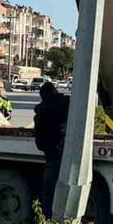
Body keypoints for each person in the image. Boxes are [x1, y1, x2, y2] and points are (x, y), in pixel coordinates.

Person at [33, 81, 70, 216]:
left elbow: (39, 142)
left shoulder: (40, 113)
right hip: (68, 154)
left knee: (49, 192)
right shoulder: (67, 104)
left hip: (52, 156)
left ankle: (48, 222)